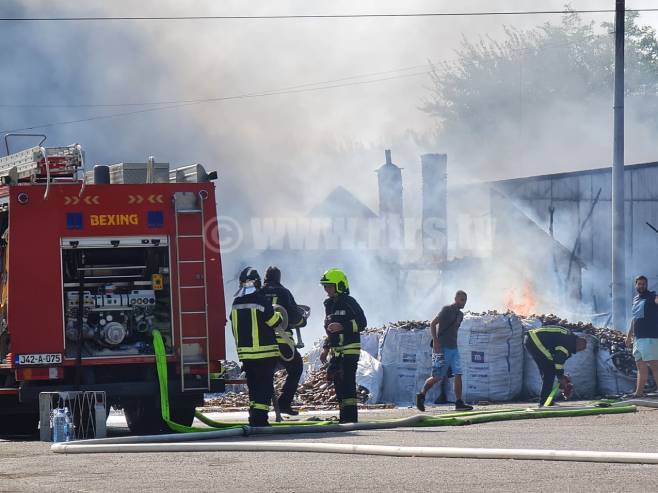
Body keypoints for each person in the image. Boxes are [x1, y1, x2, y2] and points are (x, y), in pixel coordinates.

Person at [230, 267, 282, 427]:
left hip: (246, 355)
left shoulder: (236, 303)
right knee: (264, 387)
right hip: (264, 354)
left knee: (253, 387)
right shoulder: (261, 301)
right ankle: (260, 420)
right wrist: (278, 313)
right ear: (257, 282)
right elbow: (274, 322)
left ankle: (253, 418)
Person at [318, 268, 367, 423]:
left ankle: (351, 419)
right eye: (325, 286)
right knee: (337, 384)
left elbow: (362, 323)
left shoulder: (349, 302)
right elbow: (329, 329)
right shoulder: (328, 305)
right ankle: (343, 418)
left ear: (339, 285)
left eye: (329, 286)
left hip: (350, 350)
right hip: (336, 351)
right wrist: (326, 348)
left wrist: (343, 326)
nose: (326, 290)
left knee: (347, 383)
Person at [416, 290, 473, 412]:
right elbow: (433, 324)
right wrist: (435, 340)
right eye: (462, 299)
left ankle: (459, 402)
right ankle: (421, 395)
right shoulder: (447, 310)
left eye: (465, 300)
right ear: (456, 299)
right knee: (437, 377)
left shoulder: (460, 315)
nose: (464, 302)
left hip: (454, 349)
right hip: (441, 349)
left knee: (458, 374)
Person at [261, 266, 306, 416]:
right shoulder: (284, 292)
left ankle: (261, 408)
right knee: (296, 368)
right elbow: (295, 316)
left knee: (265, 374)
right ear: (279, 278)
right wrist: (302, 320)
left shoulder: (258, 293)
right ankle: (284, 403)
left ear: (265, 277)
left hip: (263, 343)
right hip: (283, 342)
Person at [524, 326, 587, 406]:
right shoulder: (568, 342)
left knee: (548, 371)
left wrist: (560, 376)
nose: (576, 351)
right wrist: (560, 377)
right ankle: (545, 402)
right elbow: (558, 360)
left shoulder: (569, 338)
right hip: (535, 341)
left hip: (532, 339)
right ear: (578, 342)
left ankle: (545, 401)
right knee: (549, 371)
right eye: (578, 349)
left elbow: (557, 361)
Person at [625, 275, 658, 397]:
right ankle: (638, 393)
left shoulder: (652, 296)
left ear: (647, 285)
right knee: (640, 366)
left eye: (643, 284)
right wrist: (629, 336)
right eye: (639, 284)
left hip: (651, 337)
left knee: (655, 366)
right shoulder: (635, 299)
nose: (641, 286)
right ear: (635, 285)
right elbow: (634, 319)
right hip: (638, 339)